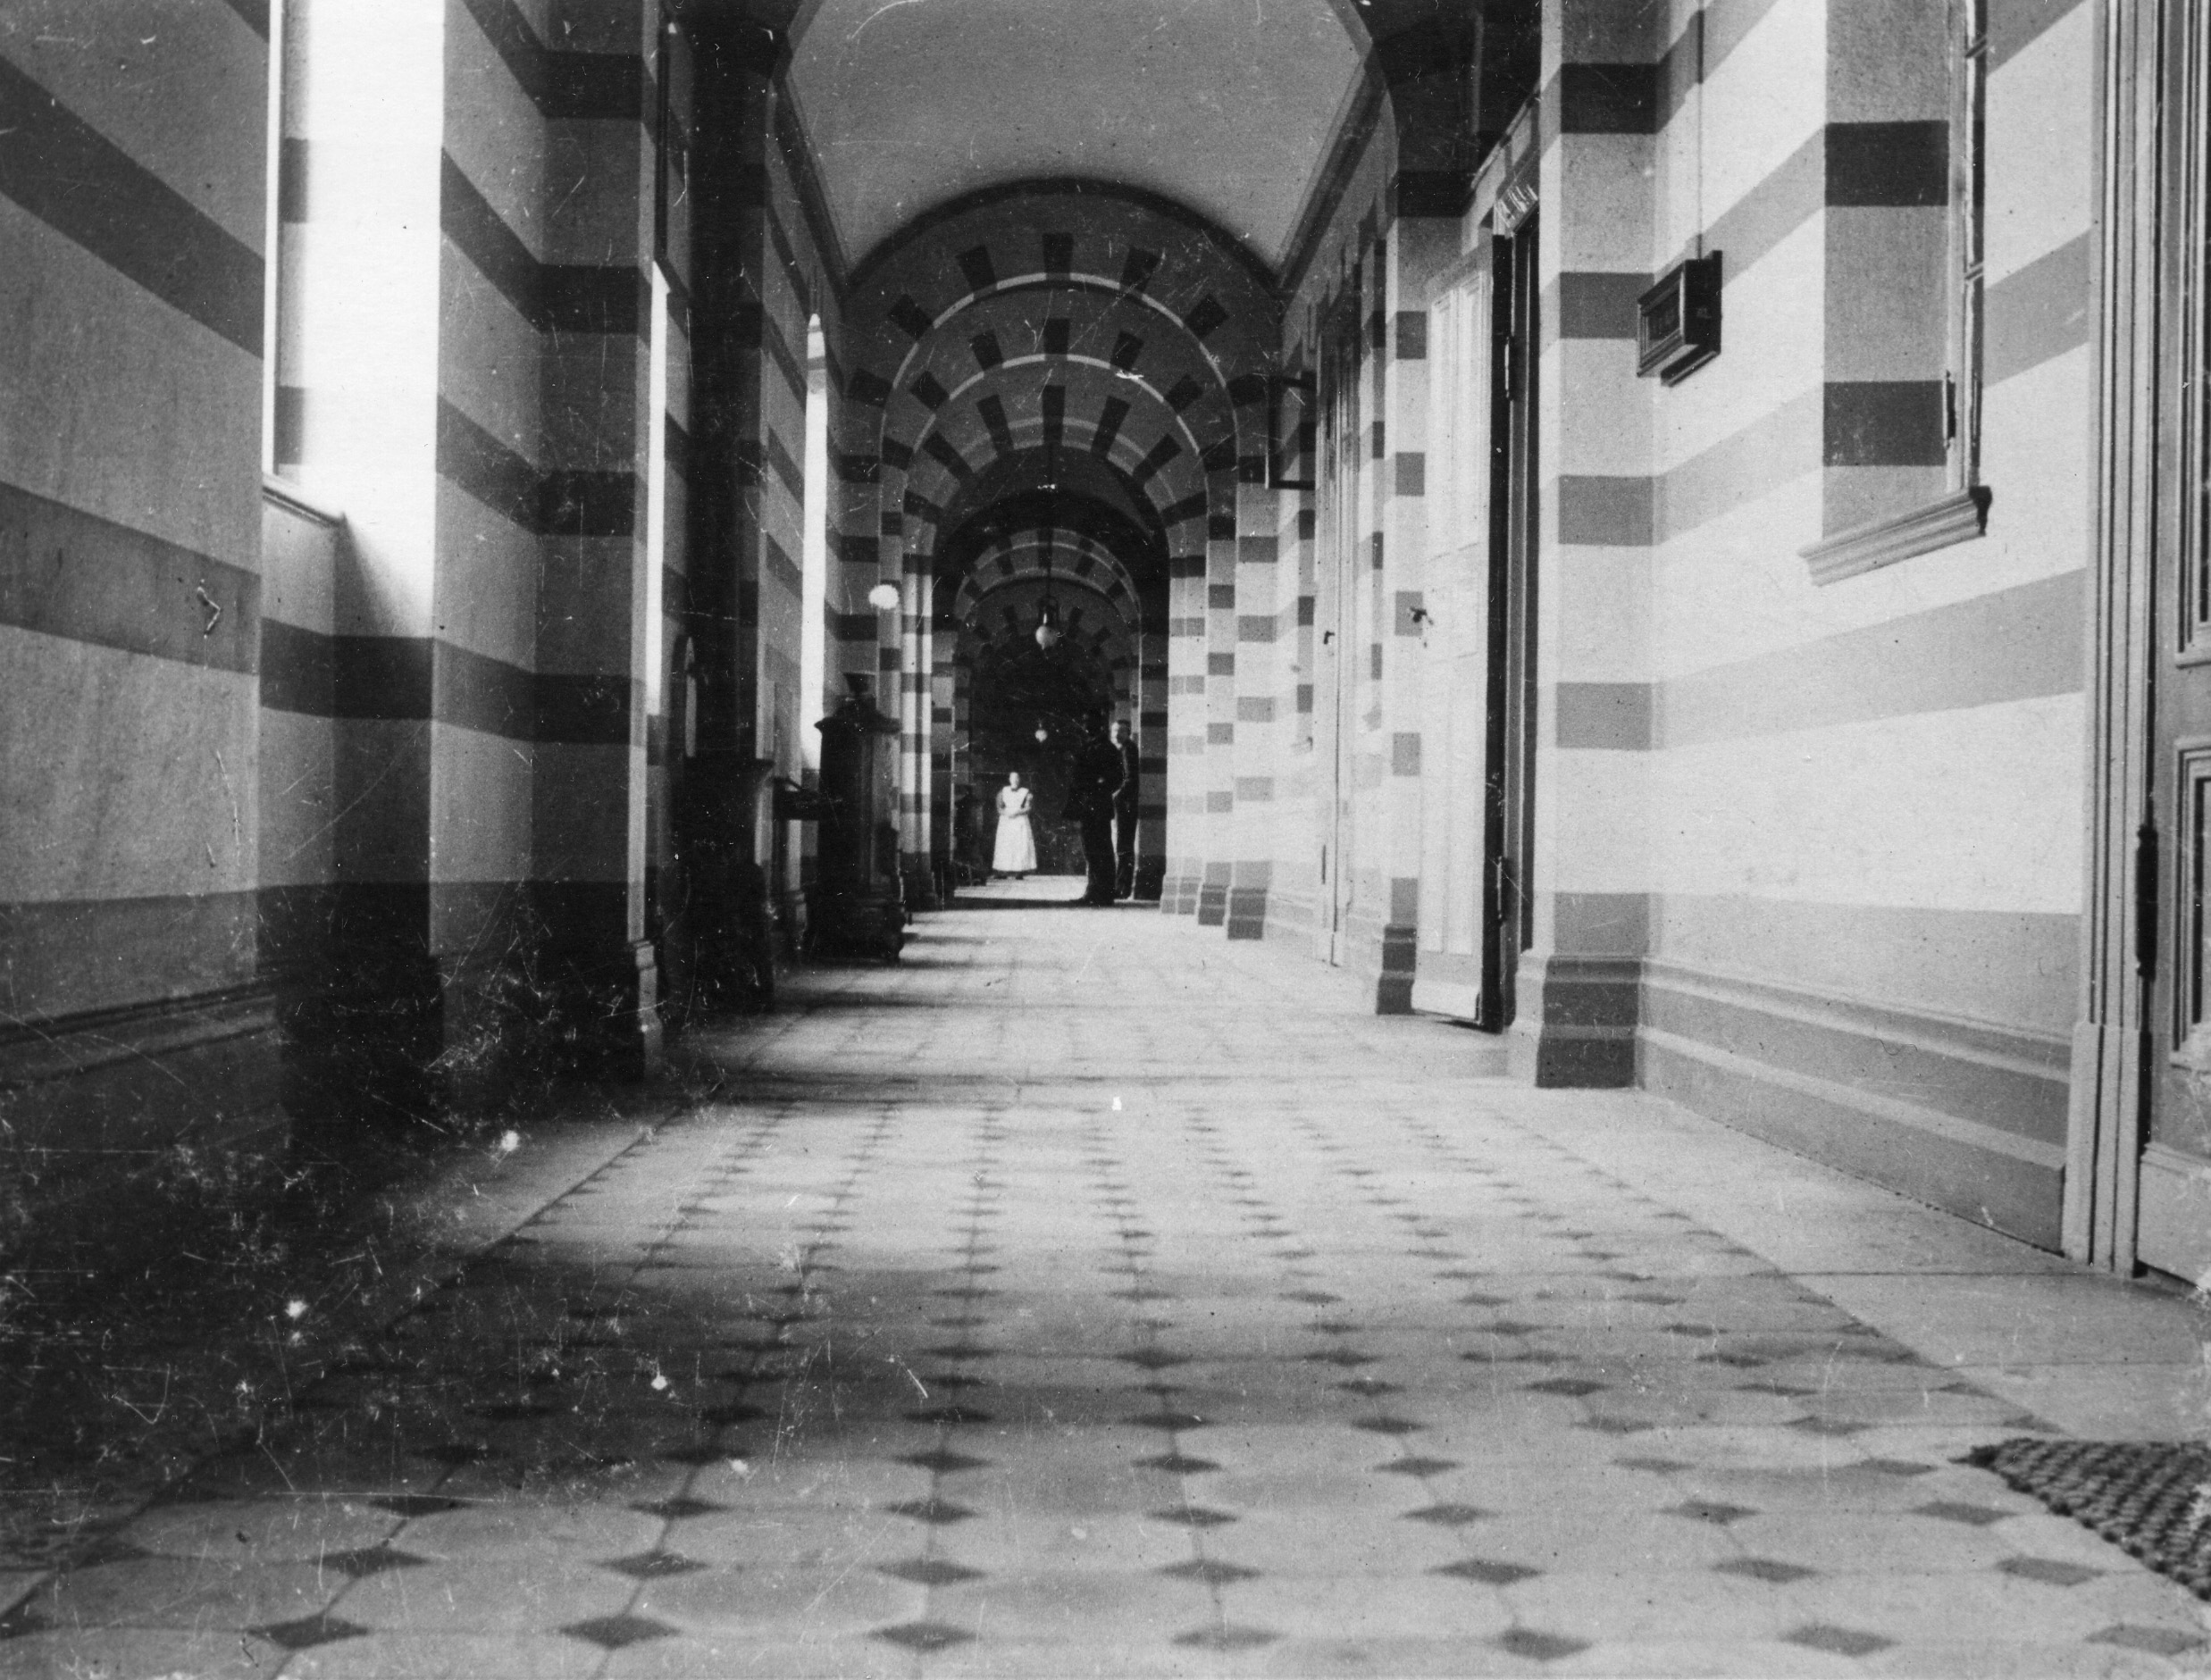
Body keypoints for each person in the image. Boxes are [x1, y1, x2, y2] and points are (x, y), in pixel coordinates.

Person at [1066, 712, 1125, 905]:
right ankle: (1094, 891)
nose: (1085, 727)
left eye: (1088, 724)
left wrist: (1100, 785)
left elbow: (1117, 777)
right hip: (1088, 804)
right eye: (1085, 724)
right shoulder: (1089, 746)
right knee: (1091, 849)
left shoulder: (1107, 749)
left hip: (1098, 804)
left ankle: (1104, 893)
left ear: (1098, 726)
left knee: (1102, 849)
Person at [1110, 717, 1141, 899]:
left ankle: (1122, 888)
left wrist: (1115, 795)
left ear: (1127, 733)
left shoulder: (1128, 749)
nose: (1116, 734)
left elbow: (1131, 778)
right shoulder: (1122, 749)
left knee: (1124, 846)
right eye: (1114, 731)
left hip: (1126, 804)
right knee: (1122, 845)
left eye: (1120, 731)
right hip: (1123, 803)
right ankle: (1121, 886)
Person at [992, 773, 1036, 878]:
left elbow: (1028, 807)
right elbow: (999, 807)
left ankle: (1019, 871)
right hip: (1006, 821)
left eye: (1017, 778)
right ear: (1009, 779)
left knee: (1020, 845)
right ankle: (1002, 871)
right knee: (1005, 845)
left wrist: (1017, 812)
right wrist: (1006, 813)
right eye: (1013, 778)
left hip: (1020, 820)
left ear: (1019, 780)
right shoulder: (1003, 791)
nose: (1015, 780)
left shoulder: (1025, 792)